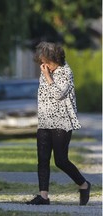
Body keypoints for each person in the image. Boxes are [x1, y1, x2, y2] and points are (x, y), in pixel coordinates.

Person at [26, 41, 91, 205]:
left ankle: (84, 184)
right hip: (45, 121)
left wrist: (48, 77)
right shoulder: (46, 70)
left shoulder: (65, 72)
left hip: (62, 122)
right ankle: (43, 196)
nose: (43, 65)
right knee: (42, 159)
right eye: (42, 62)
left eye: (46, 62)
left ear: (55, 59)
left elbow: (59, 94)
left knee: (60, 160)